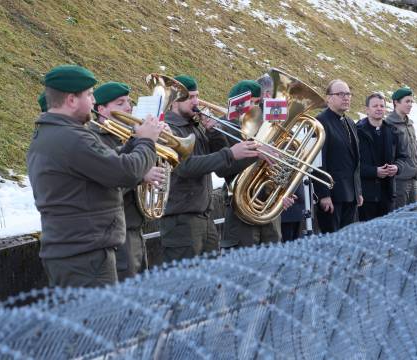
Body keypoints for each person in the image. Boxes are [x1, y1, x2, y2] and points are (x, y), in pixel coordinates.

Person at [27, 65, 162, 288]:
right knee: (104, 322)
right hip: (85, 257)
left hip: (75, 252)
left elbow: (107, 165)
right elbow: (125, 172)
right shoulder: (72, 137)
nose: (93, 101)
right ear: (71, 100)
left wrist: (134, 143)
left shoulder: (54, 133)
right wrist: (147, 142)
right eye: (89, 95)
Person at [161, 75, 258, 263]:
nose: (196, 102)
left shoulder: (195, 126)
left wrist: (213, 132)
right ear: (174, 101)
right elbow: (185, 167)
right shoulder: (168, 128)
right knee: (186, 286)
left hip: (204, 216)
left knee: (209, 287)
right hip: (181, 219)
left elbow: (219, 167)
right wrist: (229, 153)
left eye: (197, 96)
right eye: (190, 97)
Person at [91, 81, 166, 281]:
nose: (128, 107)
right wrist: (140, 176)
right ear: (101, 109)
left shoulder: (128, 135)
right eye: (120, 103)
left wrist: (159, 137)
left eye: (129, 102)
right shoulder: (94, 140)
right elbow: (106, 184)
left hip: (134, 228)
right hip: (115, 233)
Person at [219, 79, 295, 249]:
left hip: (269, 205)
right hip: (240, 205)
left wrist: (284, 190)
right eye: (251, 102)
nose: (255, 106)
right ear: (236, 102)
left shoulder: (266, 122)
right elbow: (221, 168)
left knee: (273, 263)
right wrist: (256, 154)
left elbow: (282, 160)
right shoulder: (223, 126)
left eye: (257, 101)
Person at [313, 79, 362, 233]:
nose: (346, 97)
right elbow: (318, 163)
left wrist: (358, 190)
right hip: (332, 197)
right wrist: (323, 195)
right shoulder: (320, 122)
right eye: (340, 94)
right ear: (328, 98)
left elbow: (355, 160)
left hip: (350, 195)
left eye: (348, 94)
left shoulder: (349, 121)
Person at [356, 93, 405, 221]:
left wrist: (397, 167)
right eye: (375, 106)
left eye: (382, 106)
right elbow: (352, 164)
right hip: (366, 196)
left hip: (387, 195)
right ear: (367, 109)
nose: (379, 108)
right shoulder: (357, 131)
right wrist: (374, 171)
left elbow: (402, 158)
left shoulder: (392, 131)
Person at [385, 87, 417, 209]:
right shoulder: (389, 124)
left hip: (413, 178)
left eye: (411, 101)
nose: (410, 105)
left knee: (415, 217)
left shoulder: (410, 124)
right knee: (401, 217)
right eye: (407, 101)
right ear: (396, 102)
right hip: (399, 181)